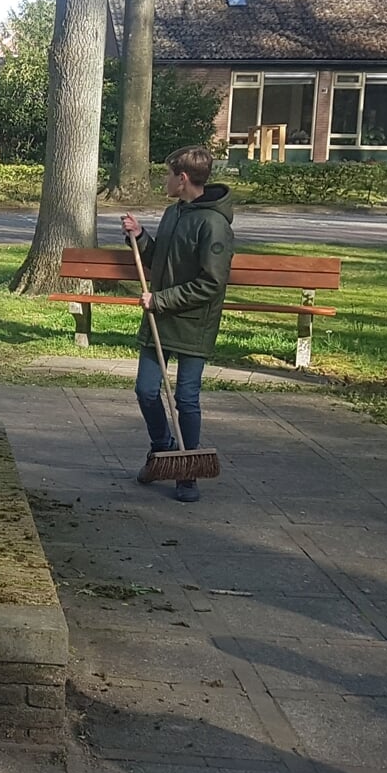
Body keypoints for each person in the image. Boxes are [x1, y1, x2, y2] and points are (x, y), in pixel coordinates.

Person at [121, 145, 236, 505]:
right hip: (161, 319)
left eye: (168, 175)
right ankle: (164, 452)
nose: (165, 181)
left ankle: (187, 472)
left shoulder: (214, 224)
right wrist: (141, 237)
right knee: (145, 390)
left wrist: (161, 300)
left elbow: (211, 283)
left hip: (192, 323)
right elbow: (160, 260)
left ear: (182, 179)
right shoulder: (174, 213)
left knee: (186, 398)